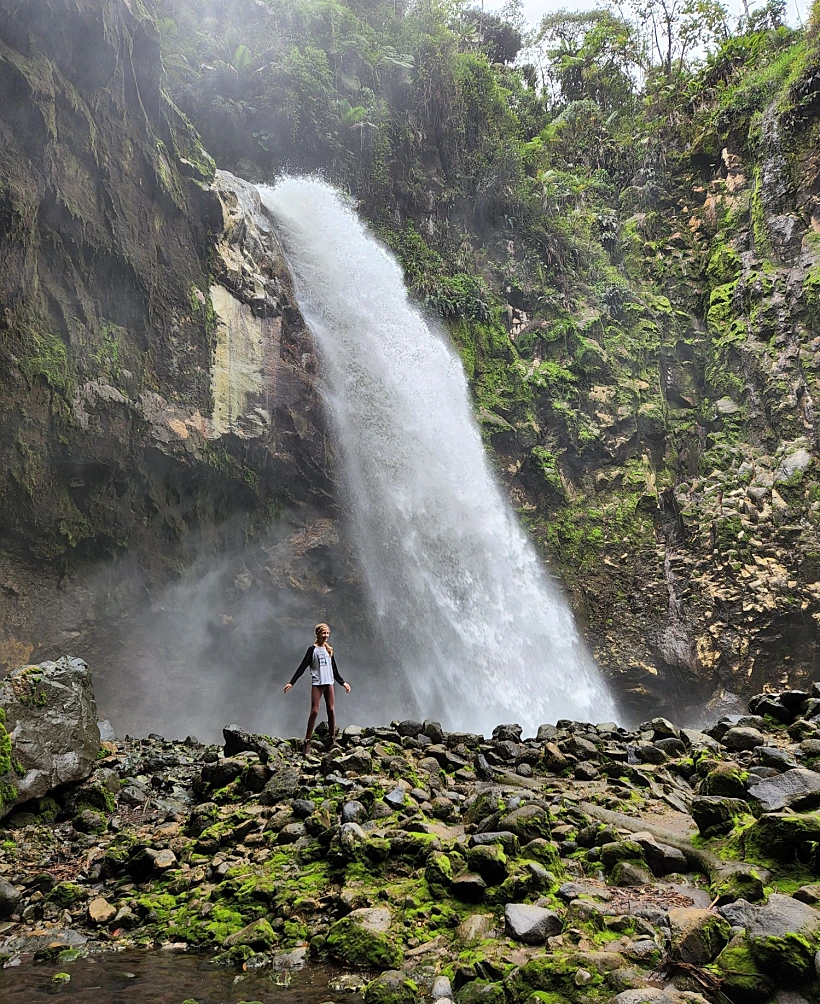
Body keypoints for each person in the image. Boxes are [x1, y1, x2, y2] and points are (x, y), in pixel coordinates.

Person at [284, 623, 351, 754]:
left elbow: (334, 669)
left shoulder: (329, 650)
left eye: (327, 633)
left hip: (329, 683)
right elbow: (302, 667)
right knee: (314, 711)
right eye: (323, 633)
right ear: (318, 634)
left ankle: (332, 739)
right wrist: (291, 682)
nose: (326, 636)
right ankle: (307, 741)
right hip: (317, 684)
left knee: (331, 710)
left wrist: (343, 683)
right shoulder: (312, 650)